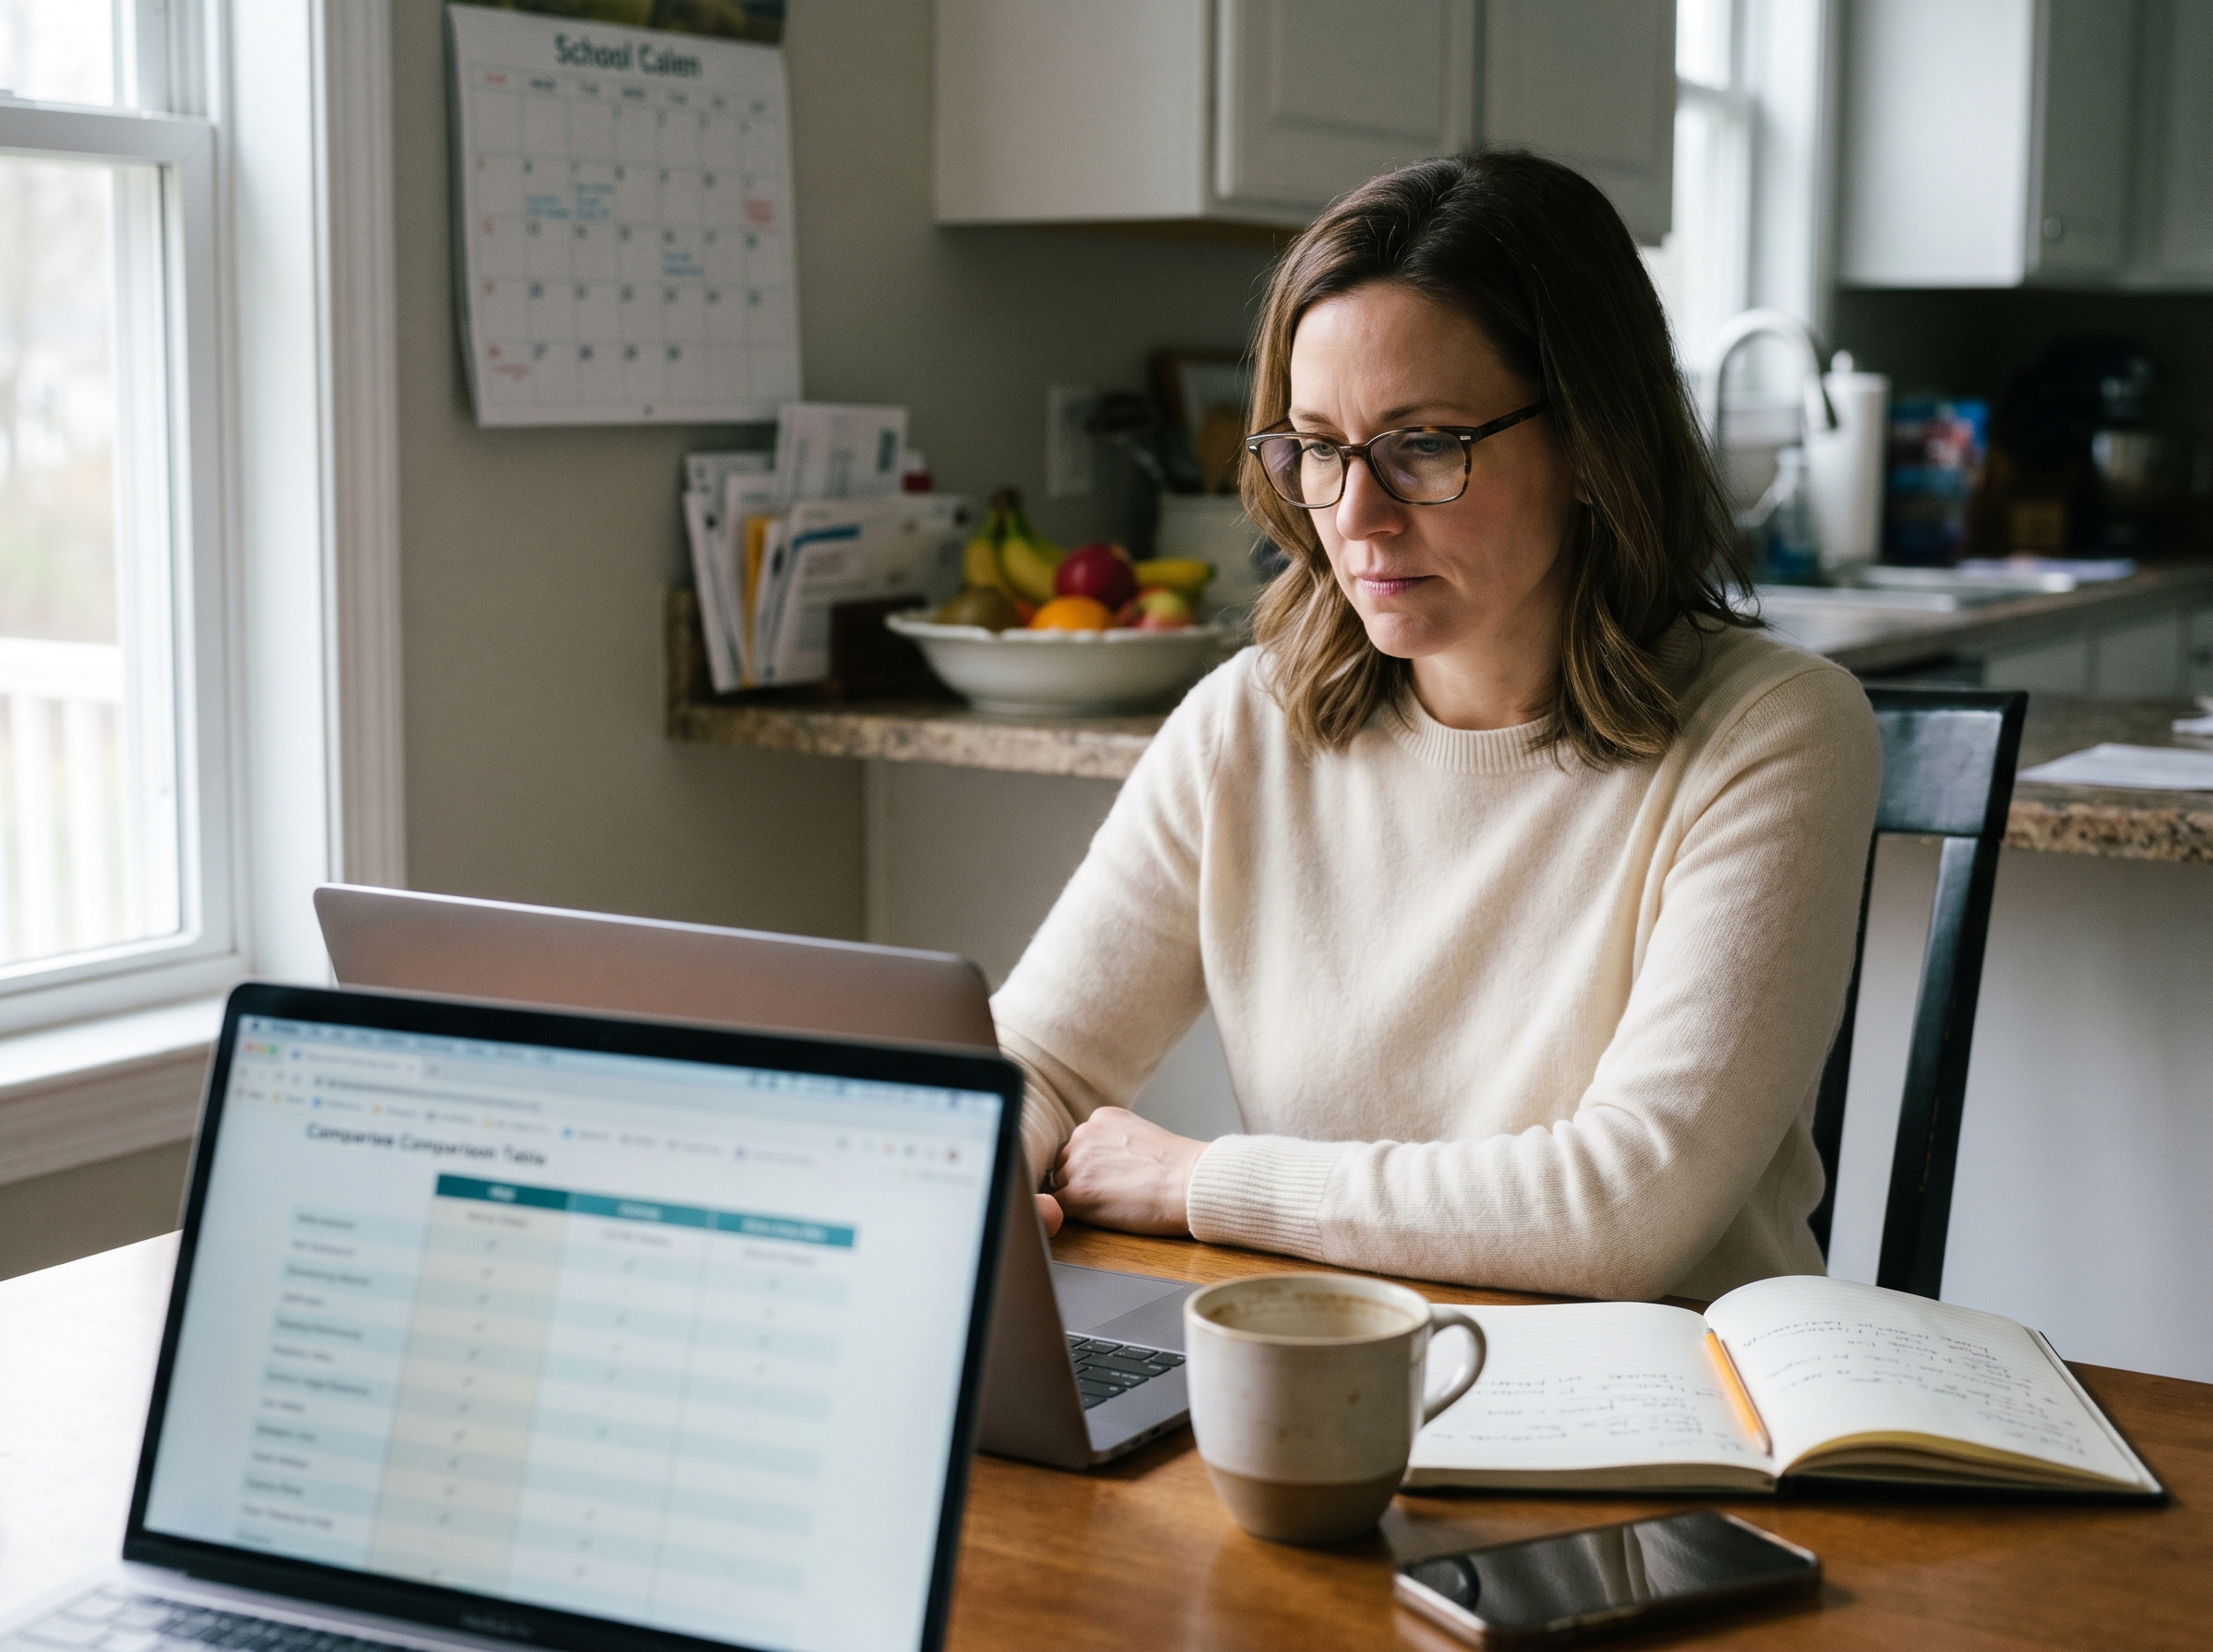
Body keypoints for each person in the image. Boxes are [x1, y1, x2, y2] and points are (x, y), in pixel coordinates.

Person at [996, 151, 1880, 1303]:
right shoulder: (1245, 726)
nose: (1354, 517)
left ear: (1590, 446)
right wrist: (989, 1159)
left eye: (1422, 445)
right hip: (1335, 1380)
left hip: (1662, 1420)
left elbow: (1625, 1214)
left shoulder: (1777, 733)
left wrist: (1202, 1180)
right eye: (1317, 446)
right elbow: (1032, 1058)